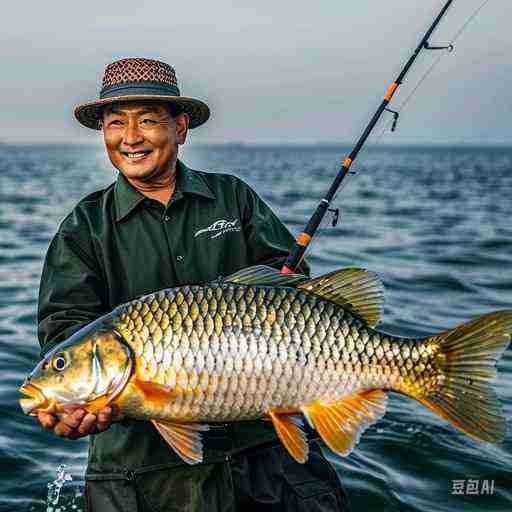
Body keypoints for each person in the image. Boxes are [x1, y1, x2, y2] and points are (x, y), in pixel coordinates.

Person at [36, 58, 350, 511]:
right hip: (142, 474)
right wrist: (71, 401)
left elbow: (294, 285)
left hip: (268, 454)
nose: (130, 138)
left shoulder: (233, 197)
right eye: (115, 123)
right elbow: (65, 332)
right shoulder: (82, 228)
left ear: (180, 128)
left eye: (147, 121)